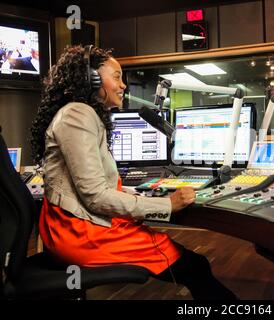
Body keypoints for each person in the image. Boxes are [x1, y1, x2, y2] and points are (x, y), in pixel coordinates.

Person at [30, 45, 236, 300]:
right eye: (116, 76)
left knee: (195, 266)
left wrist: (142, 197)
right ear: (91, 78)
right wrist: (167, 204)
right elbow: (95, 196)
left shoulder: (83, 113)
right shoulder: (77, 114)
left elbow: (95, 187)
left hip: (80, 226)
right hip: (79, 233)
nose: (123, 85)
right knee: (195, 266)